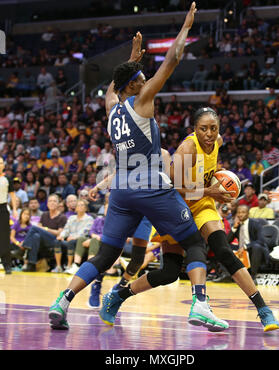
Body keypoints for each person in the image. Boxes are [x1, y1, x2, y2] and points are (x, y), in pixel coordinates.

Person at [49, 5, 229, 332]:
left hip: (120, 191)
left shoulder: (111, 110)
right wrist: (186, 27)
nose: (146, 82)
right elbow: (172, 60)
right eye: (141, 79)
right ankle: (200, 304)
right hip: (149, 185)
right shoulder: (141, 102)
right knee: (194, 243)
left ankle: (62, 301)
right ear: (134, 86)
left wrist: (132, 60)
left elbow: (110, 89)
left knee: (105, 255)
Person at [151, 107, 279, 331]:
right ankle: (120, 295)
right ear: (194, 129)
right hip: (178, 207)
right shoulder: (187, 148)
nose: (209, 134)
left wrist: (217, 186)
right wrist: (210, 191)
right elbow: (173, 188)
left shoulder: (217, 142)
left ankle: (263, 310)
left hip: (203, 206)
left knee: (223, 251)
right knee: (168, 272)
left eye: (213, 128)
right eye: (204, 129)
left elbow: (207, 173)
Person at [21, 194, 67, 272]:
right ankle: (32, 264)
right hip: (42, 240)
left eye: (54, 201)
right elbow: (39, 227)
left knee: (33, 228)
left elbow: (59, 233)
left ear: (58, 204)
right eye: (50, 201)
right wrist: (42, 229)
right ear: (47, 204)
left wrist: (45, 229)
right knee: (35, 236)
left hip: (55, 240)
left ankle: (25, 245)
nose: (52, 203)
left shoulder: (62, 217)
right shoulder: (44, 215)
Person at [228, 205, 269, 283]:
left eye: (243, 212)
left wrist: (245, 247)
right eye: (239, 212)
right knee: (225, 247)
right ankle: (226, 275)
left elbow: (261, 241)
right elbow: (227, 241)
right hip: (241, 251)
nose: (240, 214)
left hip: (252, 250)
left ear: (248, 214)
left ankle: (253, 276)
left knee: (256, 247)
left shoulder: (255, 223)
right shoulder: (237, 225)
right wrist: (234, 228)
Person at [53, 199, 94, 273]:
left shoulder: (89, 219)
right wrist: (61, 236)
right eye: (78, 205)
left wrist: (74, 237)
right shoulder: (71, 218)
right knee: (57, 241)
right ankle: (58, 266)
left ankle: (69, 266)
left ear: (86, 208)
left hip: (80, 240)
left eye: (82, 205)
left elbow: (85, 232)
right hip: (69, 239)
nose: (80, 207)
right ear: (76, 208)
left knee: (72, 242)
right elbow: (66, 229)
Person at [0, 156, 18, 274]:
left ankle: (7, 265)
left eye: (1, 163)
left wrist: (15, 209)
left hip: (2, 208)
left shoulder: (7, 179)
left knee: (4, 237)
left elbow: (12, 196)